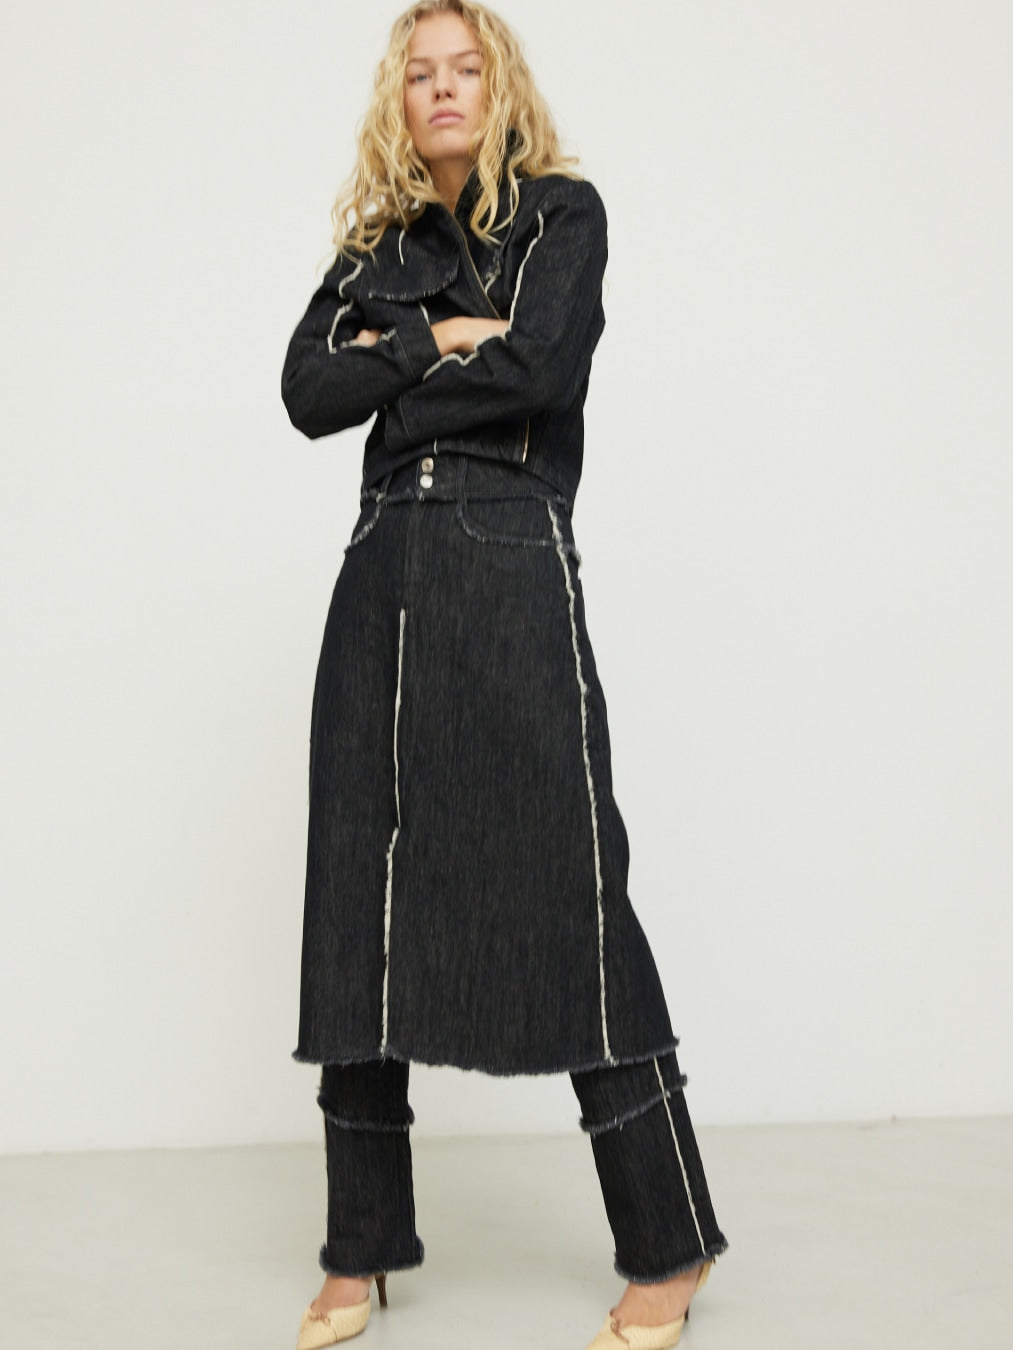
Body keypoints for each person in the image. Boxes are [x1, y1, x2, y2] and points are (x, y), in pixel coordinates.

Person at [281, 3, 728, 1346]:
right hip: (380, 570)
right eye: (419, 72)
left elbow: (541, 365)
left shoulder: (560, 217)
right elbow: (305, 393)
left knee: (568, 884)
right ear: (397, 99)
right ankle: (359, 1246)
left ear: (499, 83)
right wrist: (437, 342)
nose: (442, 88)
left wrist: (393, 368)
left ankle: (669, 1242)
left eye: (464, 66)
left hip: (507, 552)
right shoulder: (375, 250)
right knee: (356, 894)